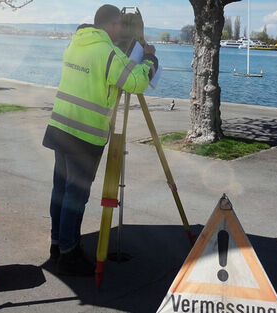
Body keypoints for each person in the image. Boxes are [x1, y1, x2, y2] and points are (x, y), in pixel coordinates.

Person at [42, 4, 158, 276]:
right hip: (84, 136)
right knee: (75, 196)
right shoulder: (108, 53)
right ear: (112, 25)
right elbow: (137, 82)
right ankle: (69, 254)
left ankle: (57, 245)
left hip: (60, 127)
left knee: (60, 190)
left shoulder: (76, 44)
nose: (121, 30)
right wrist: (149, 59)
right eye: (120, 25)